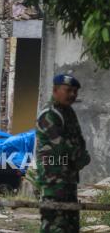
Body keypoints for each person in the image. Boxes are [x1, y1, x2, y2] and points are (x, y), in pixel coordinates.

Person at [35, 74, 91, 233]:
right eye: (68, 90)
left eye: (75, 91)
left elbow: (79, 142)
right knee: (54, 225)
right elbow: (61, 146)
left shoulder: (69, 113)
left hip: (69, 180)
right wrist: (80, 157)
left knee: (71, 226)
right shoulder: (49, 114)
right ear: (55, 90)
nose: (72, 95)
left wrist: (82, 157)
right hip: (53, 182)